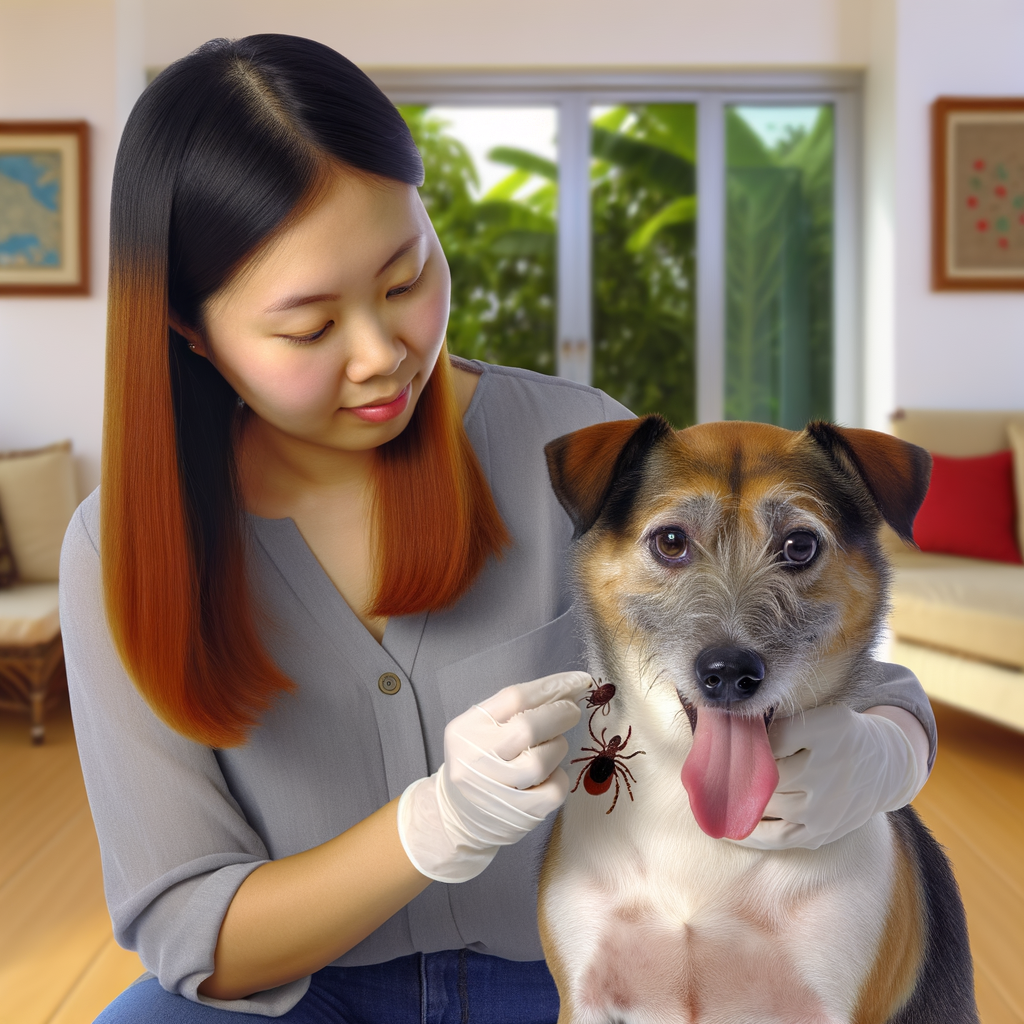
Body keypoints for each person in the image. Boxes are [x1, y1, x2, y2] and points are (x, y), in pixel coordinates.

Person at [61, 34, 936, 1024]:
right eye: (309, 327)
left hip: (578, 967)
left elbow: (831, 671)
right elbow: (192, 931)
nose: (383, 353)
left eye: (405, 277)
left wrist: (884, 749)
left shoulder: (573, 443)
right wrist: (431, 827)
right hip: (301, 993)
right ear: (189, 328)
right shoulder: (116, 552)